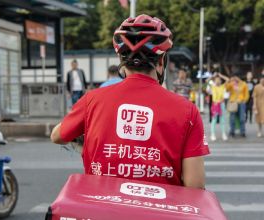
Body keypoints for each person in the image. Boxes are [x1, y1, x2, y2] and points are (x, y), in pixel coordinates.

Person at [51, 14, 209, 189]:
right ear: (161, 62)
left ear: (121, 61)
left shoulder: (92, 100)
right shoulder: (187, 111)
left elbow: (57, 136)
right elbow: (195, 186)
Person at [207, 73, 229, 141]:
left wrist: (221, 75)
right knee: (214, 120)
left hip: (221, 104)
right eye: (216, 80)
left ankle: (223, 134)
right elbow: (207, 81)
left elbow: (228, 80)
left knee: (223, 120)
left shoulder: (222, 86)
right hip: (215, 104)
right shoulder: (213, 87)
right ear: (214, 81)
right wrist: (213, 76)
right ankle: (213, 134)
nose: (217, 81)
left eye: (219, 80)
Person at [226, 73, 249, 137]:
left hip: (241, 103)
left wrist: (244, 100)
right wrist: (230, 81)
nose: (236, 79)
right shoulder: (232, 83)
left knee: (242, 118)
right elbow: (227, 89)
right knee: (232, 118)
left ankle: (243, 131)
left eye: (236, 77)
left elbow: (246, 94)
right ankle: (232, 131)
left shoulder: (243, 84)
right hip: (233, 102)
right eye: (234, 77)